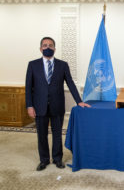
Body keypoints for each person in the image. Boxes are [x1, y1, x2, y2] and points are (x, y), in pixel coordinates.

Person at [25, 37, 91, 171]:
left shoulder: (63, 65)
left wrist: (79, 101)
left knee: (57, 134)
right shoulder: (33, 65)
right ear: (40, 48)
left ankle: (57, 159)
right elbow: (28, 87)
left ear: (55, 48)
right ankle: (43, 160)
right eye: (45, 45)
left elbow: (70, 83)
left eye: (50, 45)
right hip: (39, 106)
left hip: (57, 105)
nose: (47, 47)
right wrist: (29, 105)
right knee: (41, 135)